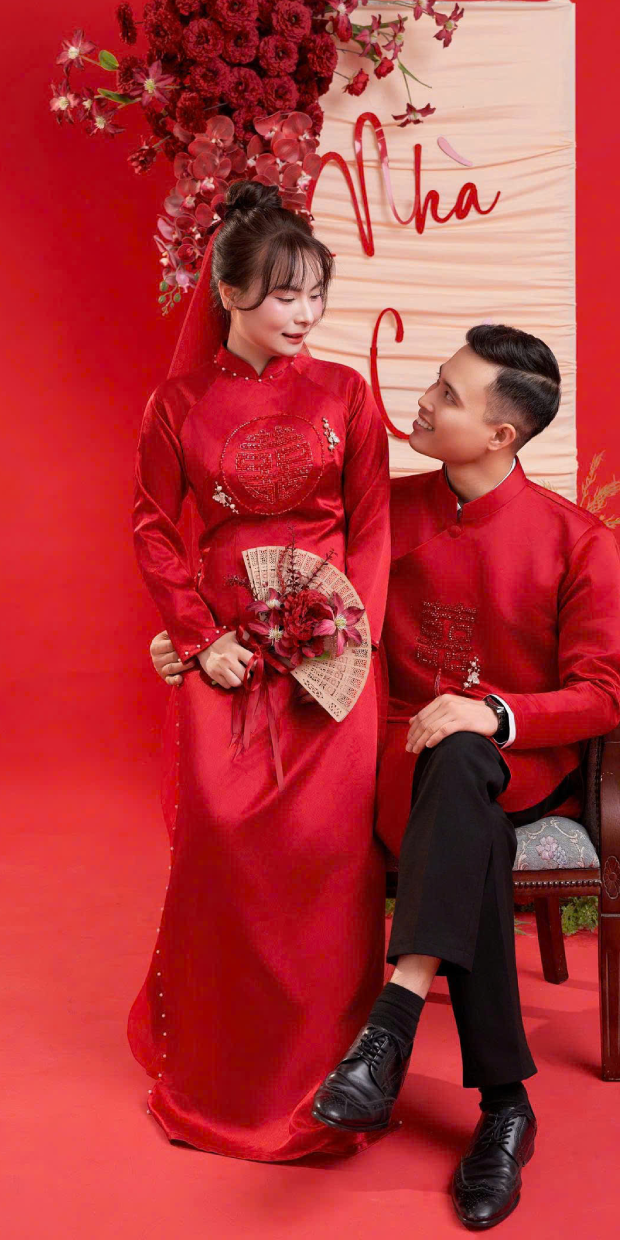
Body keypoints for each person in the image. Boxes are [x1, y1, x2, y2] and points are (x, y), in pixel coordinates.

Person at [150, 324, 620, 1223]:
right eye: (436, 381)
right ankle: (504, 1109)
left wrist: (491, 713)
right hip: (391, 763)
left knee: (463, 760)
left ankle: (395, 1026)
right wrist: (194, 640)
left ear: (501, 435)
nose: (422, 400)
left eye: (448, 395)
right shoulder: (379, 513)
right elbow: (288, 605)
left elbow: (603, 694)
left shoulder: (577, 540)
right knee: (461, 816)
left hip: (513, 762)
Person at [131, 180, 390, 1162]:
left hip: (332, 659)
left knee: (329, 862)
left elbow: (371, 525)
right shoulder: (177, 405)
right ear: (230, 291)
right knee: (225, 852)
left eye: (316, 294)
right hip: (231, 653)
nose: (305, 313)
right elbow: (154, 528)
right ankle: (225, 1074)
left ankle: (332, 1076)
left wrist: (347, 636)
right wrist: (202, 638)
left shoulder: (346, 395)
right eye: (285, 294)